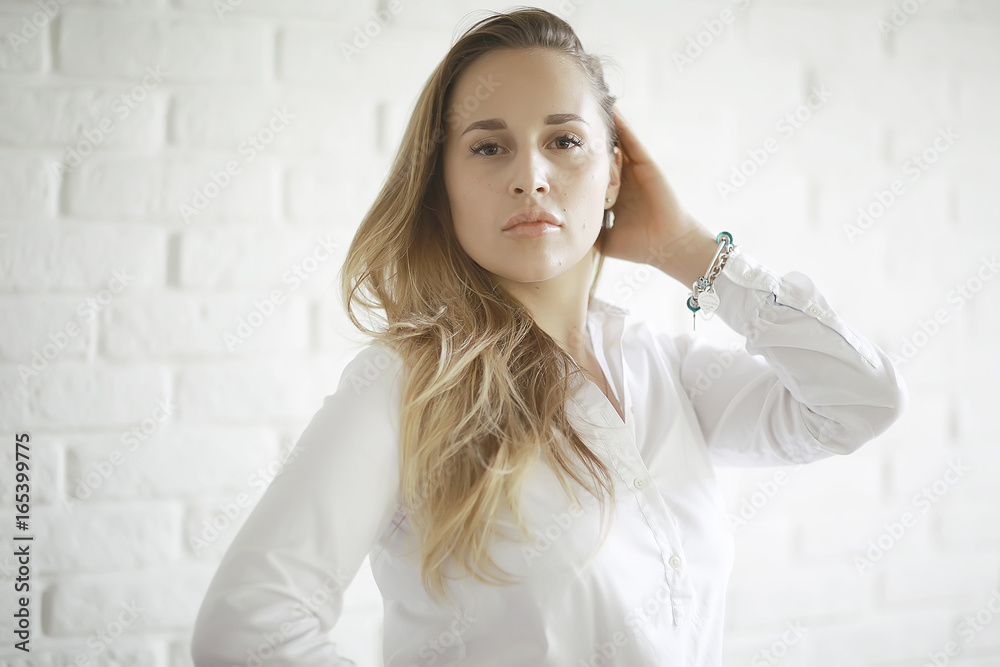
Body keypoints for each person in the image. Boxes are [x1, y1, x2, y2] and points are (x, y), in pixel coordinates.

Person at [190, 7, 907, 666]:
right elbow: (250, 628)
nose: (531, 177)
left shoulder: (664, 370)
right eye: (488, 146)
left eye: (564, 141)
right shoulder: (407, 385)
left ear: (613, 174)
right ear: (442, 182)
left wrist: (689, 249)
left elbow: (858, 402)